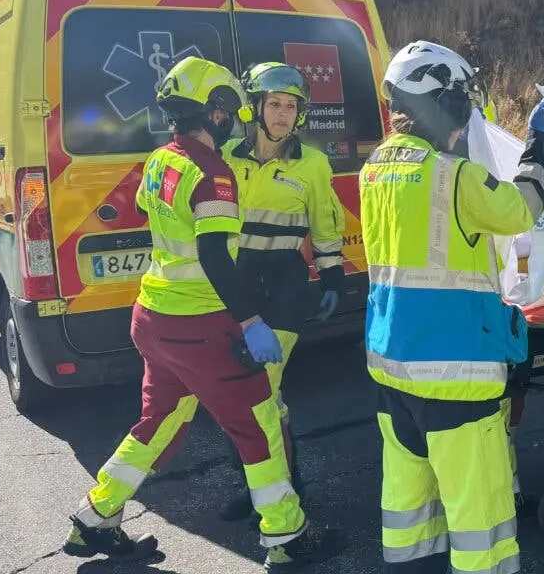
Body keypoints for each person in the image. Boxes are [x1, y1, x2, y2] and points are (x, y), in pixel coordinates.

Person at [61, 57, 342, 570]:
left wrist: (328, 273)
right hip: (202, 323)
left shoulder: (159, 159)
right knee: (258, 421)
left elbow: (159, 220)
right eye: (236, 107)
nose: (239, 116)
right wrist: (251, 322)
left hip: (152, 315)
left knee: (158, 421)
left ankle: (94, 515)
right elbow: (214, 255)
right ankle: (285, 533)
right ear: (217, 113)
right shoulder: (215, 172)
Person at [362, 40, 544, 574]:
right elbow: (523, 208)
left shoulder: (374, 169)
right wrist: (539, 141)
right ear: (447, 103)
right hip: (457, 375)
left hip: (391, 370)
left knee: (411, 514)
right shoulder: (455, 177)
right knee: (481, 525)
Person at [215, 62, 346, 522]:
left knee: (260, 392)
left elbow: (327, 226)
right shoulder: (226, 157)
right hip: (239, 287)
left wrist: (332, 278)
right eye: (274, 104)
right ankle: (260, 485)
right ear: (255, 107)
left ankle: (283, 493)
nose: (282, 115)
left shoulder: (312, 164)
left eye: (291, 107)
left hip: (287, 287)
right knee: (239, 394)